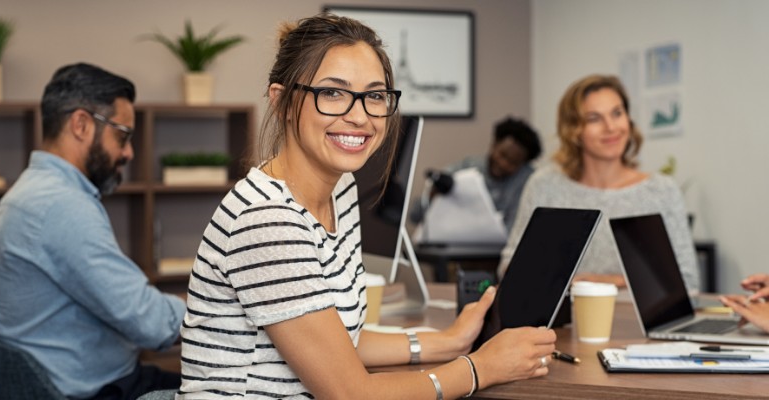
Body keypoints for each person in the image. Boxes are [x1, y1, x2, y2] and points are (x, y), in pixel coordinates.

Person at [178, 13, 556, 399]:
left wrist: (448, 341)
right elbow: (350, 393)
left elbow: (338, 340)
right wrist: (480, 368)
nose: (359, 117)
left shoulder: (340, 189)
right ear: (283, 102)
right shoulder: (267, 220)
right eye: (332, 93)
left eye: (375, 95)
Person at [0, 63, 186, 399]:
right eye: (122, 135)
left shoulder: (29, 193)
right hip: (97, 391)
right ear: (81, 125)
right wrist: (218, 308)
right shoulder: (60, 205)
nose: (129, 152)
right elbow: (152, 324)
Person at [497, 74, 699, 293]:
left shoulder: (662, 191)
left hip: (639, 324)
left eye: (617, 113)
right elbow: (509, 268)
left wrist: (598, 282)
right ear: (573, 130)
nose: (611, 127)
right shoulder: (544, 186)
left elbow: (687, 282)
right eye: (594, 118)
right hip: (562, 324)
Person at [409, 117, 542, 234]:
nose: (503, 164)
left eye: (513, 162)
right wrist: (433, 195)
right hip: (456, 251)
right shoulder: (465, 168)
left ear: (523, 165)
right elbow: (415, 215)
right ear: (494, 144)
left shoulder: (528, 180)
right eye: (502, 155)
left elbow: (514, 232)